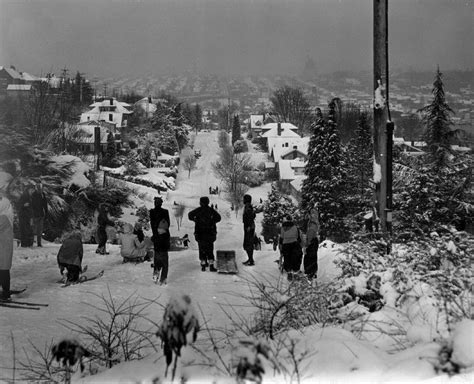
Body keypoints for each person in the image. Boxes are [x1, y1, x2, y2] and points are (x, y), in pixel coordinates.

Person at [188, 196, 221, 272]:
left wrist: (195, 220)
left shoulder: (198, 210)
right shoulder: (211, 210)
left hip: (200, 233)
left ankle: (203, 264)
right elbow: (219, 218)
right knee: (210, 249)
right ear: (208, 202)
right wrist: (212, 221)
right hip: (210, 233)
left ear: (201, 203)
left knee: (202, 249)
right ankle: (211, 265)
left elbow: (190, 215)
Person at [150, 196, 171, 284]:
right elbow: (168, 223)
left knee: (157, 260)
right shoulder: (165, 212)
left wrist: (155, 233)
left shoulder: (152, 212)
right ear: (161, 203)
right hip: (164, 239)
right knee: (165, 263)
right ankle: (163, 279)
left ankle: (155, 275)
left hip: (156, 238)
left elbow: (152, 224)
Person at [279, 215, 303, 281]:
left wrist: (281, 246)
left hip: (285, 244)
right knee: (295, 257)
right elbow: (298, 237)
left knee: (287, 258)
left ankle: (289, 272)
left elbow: (281, 237)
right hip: (294, 244)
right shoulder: (295, 227)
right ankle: (295, 272)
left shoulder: (282, 228)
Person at [0, 191, 14, 300]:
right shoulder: (7, 215)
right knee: (3, 270)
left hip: (3, 247)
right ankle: (5, 291)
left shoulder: (3, 217)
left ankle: (5, 293)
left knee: (3, 270)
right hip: (4, 246)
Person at [304, 203, 320, 281]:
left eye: (309, 214)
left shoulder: (312, 223)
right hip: (314, 241)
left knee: (308, 257)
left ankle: (309, 273)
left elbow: (310, 232)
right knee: (313, 257)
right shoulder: (315, 221)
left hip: (312, 241)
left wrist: (307, 243)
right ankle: (312, 272)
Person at [31, 182, 48, 247]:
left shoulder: (42, 194)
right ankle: (31, 242)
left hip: (41, 214)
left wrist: (46, 213)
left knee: (39, 230)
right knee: (33, 229)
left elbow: (45, 204)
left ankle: (39, 243)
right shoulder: (33, 195)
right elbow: (32, 205)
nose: (40, 189)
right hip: (35, 215)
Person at [242, 194, 256, 266]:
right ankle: (250, 259)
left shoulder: (248, 207)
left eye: (244, 199)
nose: (243, 200)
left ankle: (251, 260)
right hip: (249, 227)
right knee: (248, 244)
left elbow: (250, 217)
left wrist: (248, 226)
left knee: (248, 244)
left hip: (249, 228)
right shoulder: (249, 206)